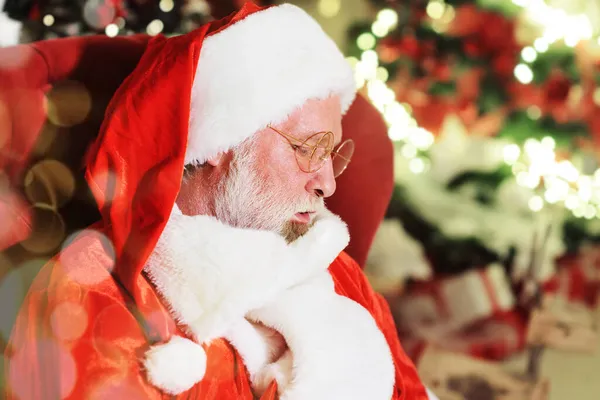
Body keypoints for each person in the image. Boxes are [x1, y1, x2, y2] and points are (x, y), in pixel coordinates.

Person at [4, 3, 433, 399]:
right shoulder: (95, 290)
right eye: (307, 148)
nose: (327, 184)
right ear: (217, 142)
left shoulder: (333, 266)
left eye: (332, 155)